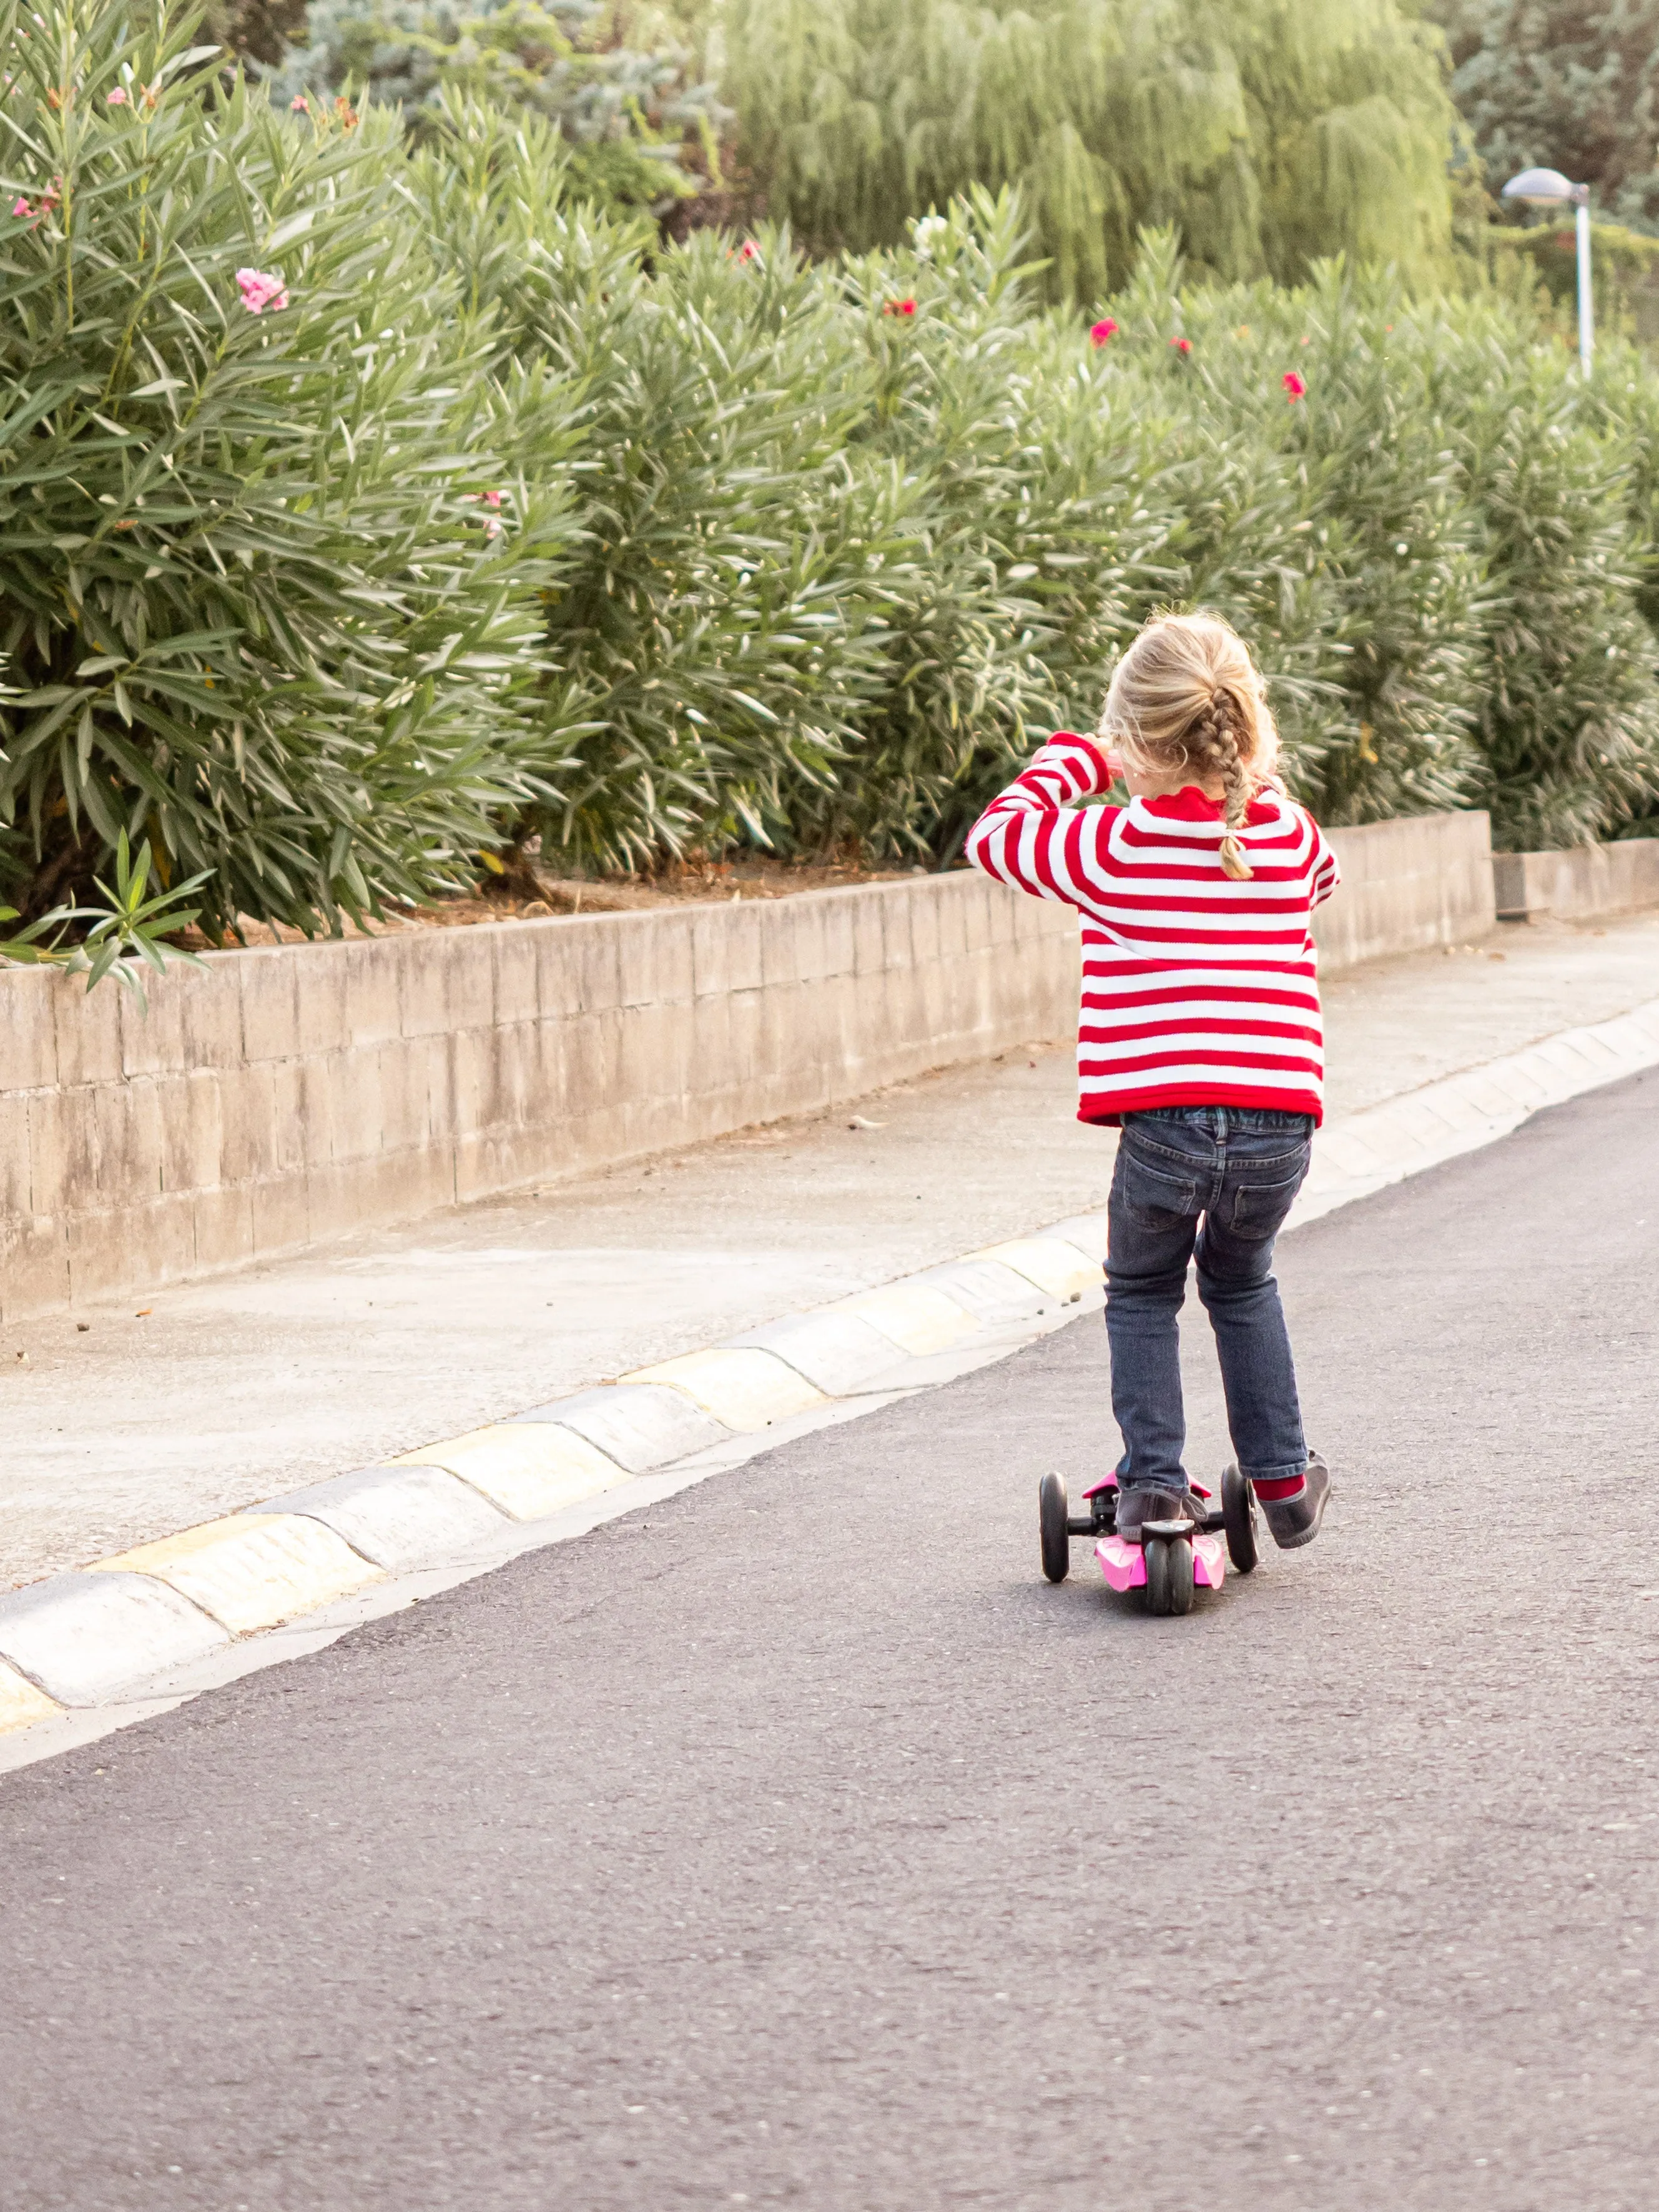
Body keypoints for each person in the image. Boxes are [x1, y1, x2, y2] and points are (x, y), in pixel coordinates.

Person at [963, 610, 1339, 1550]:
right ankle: (1286, 1480)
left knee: (1141, 1288)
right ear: (1246, 730)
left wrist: (1083, 759)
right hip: (1277, 1127)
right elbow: (1321, 876)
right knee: (1242, 1276)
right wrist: (1254, 792)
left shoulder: (1115, 848)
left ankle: (1155, 1490)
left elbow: (995, 837)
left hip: (1167, 1124)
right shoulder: (1288, 838)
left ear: (1134, 737)